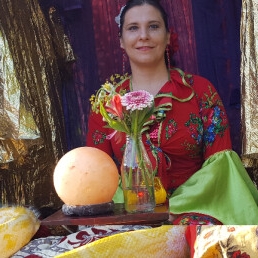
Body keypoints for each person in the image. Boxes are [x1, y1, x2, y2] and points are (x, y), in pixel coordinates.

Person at [86, 0, 258, 225]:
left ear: (168, 36)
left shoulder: (200, 92)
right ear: (121, 40)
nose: (144, 35)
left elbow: (220, 171)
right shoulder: (108, 103)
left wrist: (174, 212)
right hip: (129, 217)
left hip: (196, 212)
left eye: (154, 26)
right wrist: (135, 212)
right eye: (133, 28)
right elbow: (94, 174)